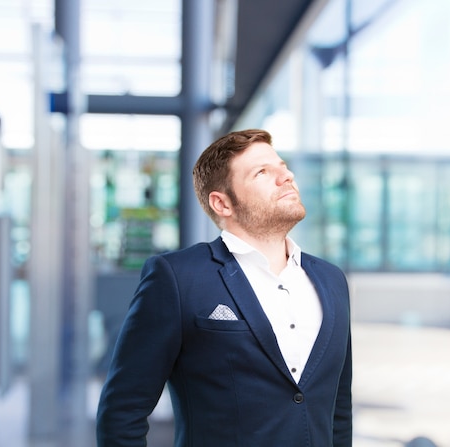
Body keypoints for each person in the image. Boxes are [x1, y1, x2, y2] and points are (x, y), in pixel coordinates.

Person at [96, 129, 352, 447]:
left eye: (283, 166)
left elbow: (338, 412)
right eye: (262, 172)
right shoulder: (177, 278)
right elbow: (122, 413)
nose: (286, 177)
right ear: (223, 203)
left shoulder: (331, 280)